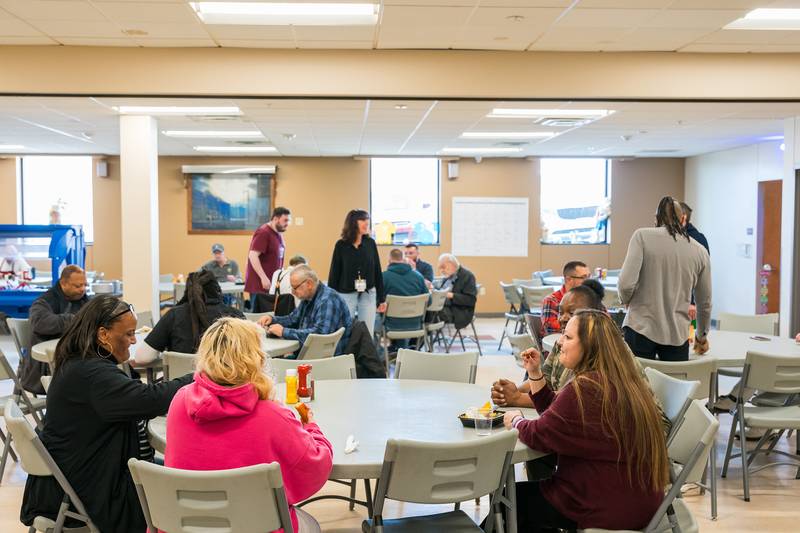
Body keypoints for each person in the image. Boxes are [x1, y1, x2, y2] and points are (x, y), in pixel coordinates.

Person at [20, 296, 193, 533]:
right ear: (103, 335)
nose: (134, 340)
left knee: (173, 473)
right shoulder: (92, 374)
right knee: (185, 489)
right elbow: (148, 399)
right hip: (92, 489)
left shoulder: (79, 361)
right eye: (128, 334)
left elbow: (137, 394)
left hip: (77, 477)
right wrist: (197, 376)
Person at [501, 310, 669, 531]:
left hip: (604, 505)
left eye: (568, 337)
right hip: (640, 501)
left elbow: (539, 435)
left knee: (510, 500)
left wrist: (516, 421)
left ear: (590, 346)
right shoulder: (620, 379)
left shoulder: (587, 387)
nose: (560, 342)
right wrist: (535, 374)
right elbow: (558, 412)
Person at [165, 317, 332, 533]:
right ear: (256, 358)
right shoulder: (273, 416)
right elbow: (315, 467)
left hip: (186, 525)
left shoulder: (180, 401)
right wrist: (312, 427)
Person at [492, 283, 671, 436]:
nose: (561, 318)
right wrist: (516, 389)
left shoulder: (605, 356)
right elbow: (550, 389)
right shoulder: (564, 342)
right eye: (560, 311)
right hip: (604, 436)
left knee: (546, 445)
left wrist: (516, 400)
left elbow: (566, 405)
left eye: (571, 312)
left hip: (635, 440)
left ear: (591, 317)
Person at [619, 197, 711, 361]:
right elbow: (704, 302)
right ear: (683, 219)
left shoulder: (642, 236)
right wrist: (701, 335)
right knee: (674, 385)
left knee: (635, 385)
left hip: (640, 329)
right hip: (677, 335)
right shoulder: (700, 251)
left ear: (656, 219)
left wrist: (626, 299)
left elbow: (625, 285)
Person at [134, 270, 244, 362]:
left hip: (180, 385)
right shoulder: (235, 316)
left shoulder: (174, 315)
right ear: (217, 289)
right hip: (226, 384)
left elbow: (142, 358)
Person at [21, 265, 89, 394]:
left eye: (85, 285)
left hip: (73, 361)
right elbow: (41, 323)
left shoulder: (82, 300)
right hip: (45, 367)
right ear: (63, 283)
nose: (82, 290)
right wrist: (74, 320)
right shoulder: (43, 302)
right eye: (77, 286)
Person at [258, 265, 352, 357]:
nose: (292, 292)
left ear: (309, 284)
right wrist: (272, 319)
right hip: (311, 353)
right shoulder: (308, 297)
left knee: (272, 364)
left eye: (295, 288)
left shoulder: (328, 300)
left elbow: (319, 336)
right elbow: (293, 319)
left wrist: (284, 332)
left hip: (324, 359)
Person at [328, 209, 386, 336]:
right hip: (346, 294)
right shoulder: (341, 245)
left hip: (368, 293)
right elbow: (334, 273)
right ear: (353, 223)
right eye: (362, 220)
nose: (366, 223)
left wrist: (382, 299)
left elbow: (377, 271)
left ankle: (364, 356)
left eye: (367, 220)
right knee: (344, 332)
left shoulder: (370, 243)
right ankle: (347, 356)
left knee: (367, 333)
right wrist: (331, 300)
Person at [245, 206, 290, 313]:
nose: (287, 223)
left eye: (288, 220)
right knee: (258, 319)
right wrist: (263, 277)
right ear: (275, 219)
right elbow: (253, 255)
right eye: (285, 220)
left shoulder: (278, 234)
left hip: (272, 284)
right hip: (260, 285)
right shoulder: (263, 232)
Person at [382, 248, 429, 333]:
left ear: (389, 260)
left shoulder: (383, 277)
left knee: (366, 322)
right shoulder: (418, 277)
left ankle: (381, 347)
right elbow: (428, 301)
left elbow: (377, 302)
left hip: (390, 324)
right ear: (404, 260)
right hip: (415, 324)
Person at [540, 261, 590, 336]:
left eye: (589, 277)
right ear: (568, 279)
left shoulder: (591, 298)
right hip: (557, 344)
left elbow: (606, 322)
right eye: (583, 277)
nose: (589, 281)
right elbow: (550, 328)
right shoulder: (552, 300)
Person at [679, 201, 709, 321]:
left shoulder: (696, 241)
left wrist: (691, 301)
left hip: (688, 301)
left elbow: (699, 274)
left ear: (683, 218)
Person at [435, 253, 477, 331]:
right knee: (426, 310)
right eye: (440, 268)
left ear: (451, 264)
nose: (441, 270)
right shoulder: (448, 276)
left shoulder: (467, 276)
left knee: (430, 314)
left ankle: (420, 339)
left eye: (443, 267)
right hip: (445, 307)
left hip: (460, 312)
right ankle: (421, 338)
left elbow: (471, 300)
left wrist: (451, 295)